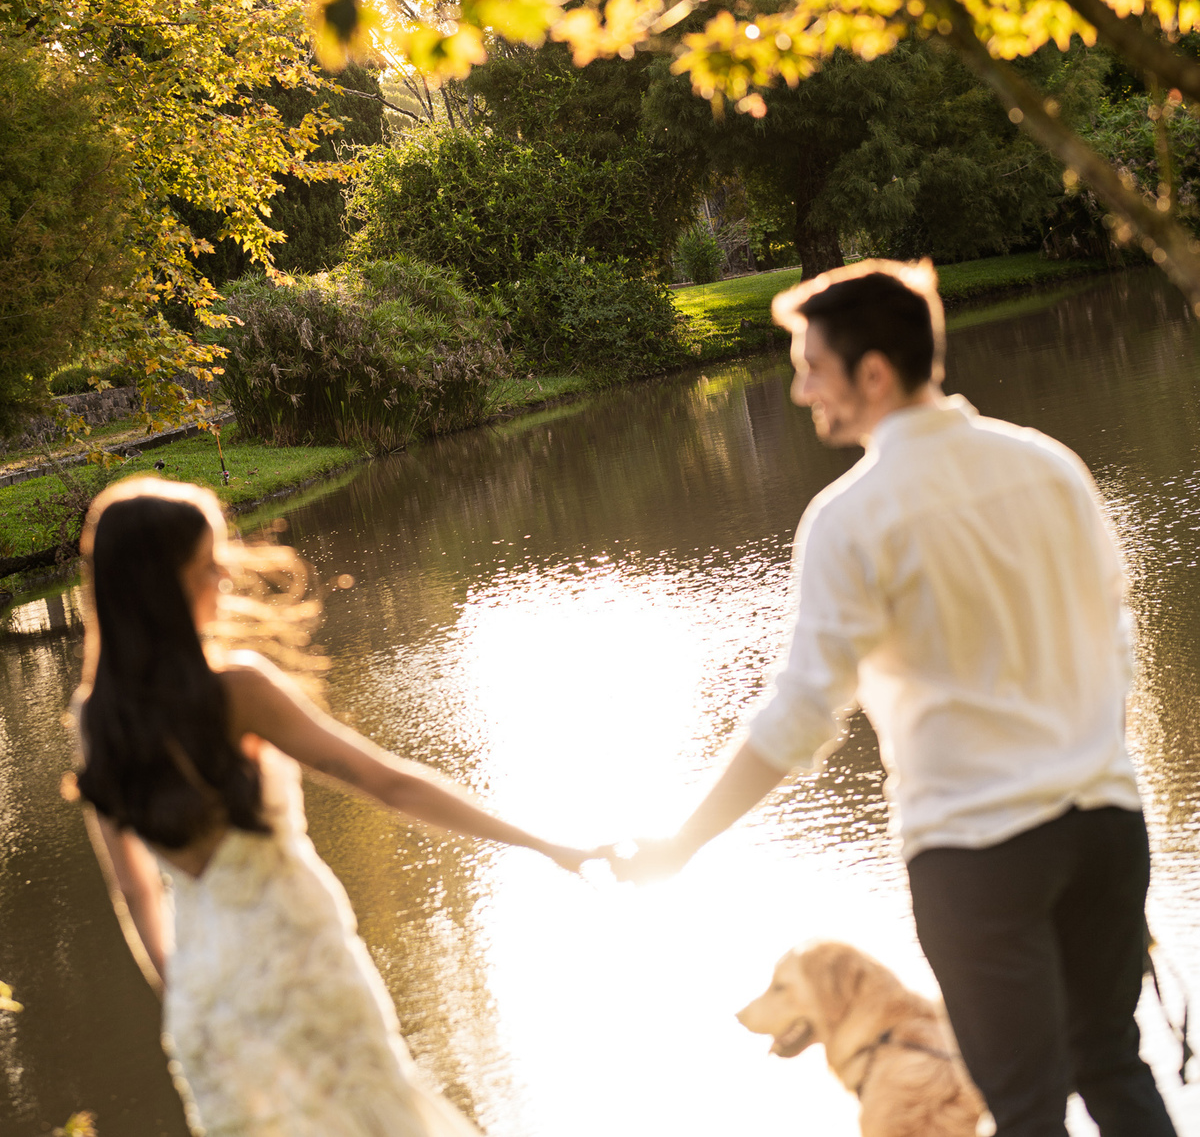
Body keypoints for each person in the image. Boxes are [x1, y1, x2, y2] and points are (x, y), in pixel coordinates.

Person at [608, 259, 1176, 1137]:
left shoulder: (853, 518)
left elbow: (801, 713)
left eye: (812, 368)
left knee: (1025, 1107)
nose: (801, 391)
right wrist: (1098, 765)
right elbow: (1119, 637)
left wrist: (682, 844)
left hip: (979, 856)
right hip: (1104, 826)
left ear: (873, 373)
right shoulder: (1049, 466)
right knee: (1112, 1062)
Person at [72, 475, 594, 1137]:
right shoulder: (237, 691)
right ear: (160, 588)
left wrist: (183, 996)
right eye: (208, 567)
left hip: (206, 1002)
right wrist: (548, 844)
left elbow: (135, 890)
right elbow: (389, 784)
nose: (224, 582)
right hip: (301, 968)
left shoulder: (97, 718)